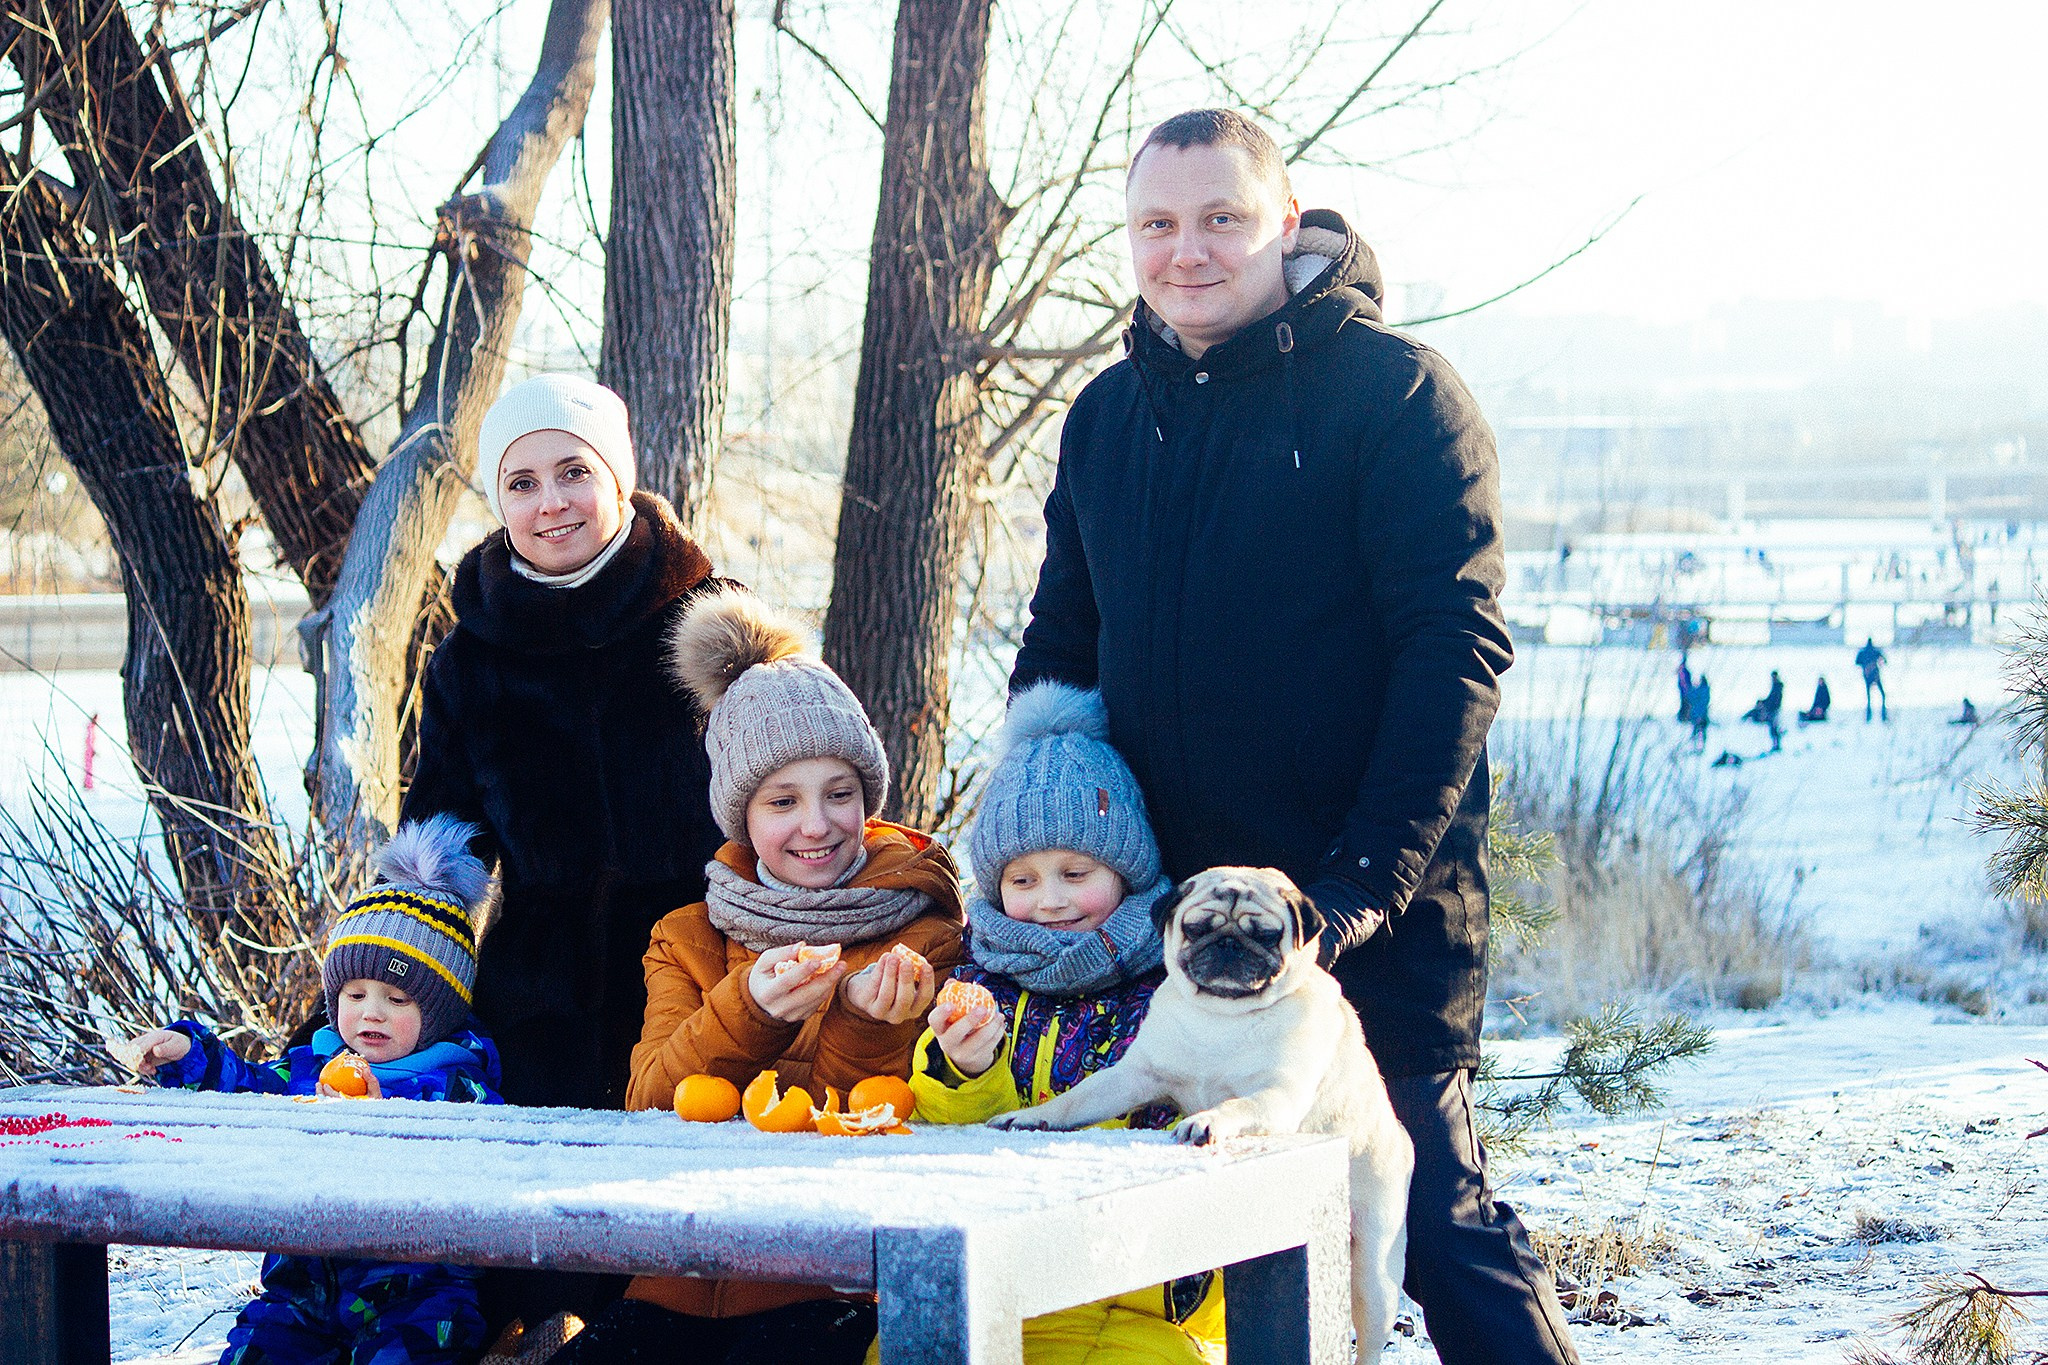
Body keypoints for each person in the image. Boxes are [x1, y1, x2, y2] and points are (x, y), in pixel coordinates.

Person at [1010, 108, 1575, 1364]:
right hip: (1163, 921)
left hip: (1359, 909)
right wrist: (1032, 831)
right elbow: (1059, 643)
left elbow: (1454, 652)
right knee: (1175, 1253)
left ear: (1283, 224)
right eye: (1156, 224)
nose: (1186, 252)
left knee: (1426, 1220)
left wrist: (1365, 882)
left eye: (1221, 219)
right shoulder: (1106, 416)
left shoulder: (1395, 395)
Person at [550, 587, 966, 1365]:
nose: (816, 824)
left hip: (830, 1286)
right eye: (783, 801)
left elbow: (892, 1132)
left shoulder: (923, 933)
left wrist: (863, 1023)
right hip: (674, 1276)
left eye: (840, 793)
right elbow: (649, 1102)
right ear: (741, 815)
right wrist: (749, 1008)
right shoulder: (687, 936)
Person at [399, 375, 731, 1339]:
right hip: (536, 999)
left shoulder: (711, 623)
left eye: (574, 472)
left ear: (618, 478)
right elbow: (441, 843)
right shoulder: (471, 661)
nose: (551, 503)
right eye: (523, 481)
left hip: (695, 989)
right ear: (498, 503)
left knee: (672, 1285)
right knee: (529, 1282)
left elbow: (791, 806)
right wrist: (372, 981)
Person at [907, 681, 1218, 1365]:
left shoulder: (1179, 988)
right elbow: (935, 1142)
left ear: (1125, 869)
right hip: (995, 1288)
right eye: (1022, 880)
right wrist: (965, 1070)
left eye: (1075, 872)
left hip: (1142, 1306)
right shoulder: (977, 982)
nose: (1050, 901)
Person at [123, 817, 500, 1365]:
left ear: (437, 1010)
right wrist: (190, 1056)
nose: (371, 1012)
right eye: (354, 993)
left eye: (397, 1000)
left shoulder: (458, 1089)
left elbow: (473, 1177)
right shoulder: (312, 1068)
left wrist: (387, 1121)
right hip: (304, 1293)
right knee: (256, 1352)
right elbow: (249, 1086)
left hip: (417, 1299)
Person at [1856, 636, 1889, 722]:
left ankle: (1869, 716)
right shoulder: (1875, 651)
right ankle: (1883, 716)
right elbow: (1885, 660)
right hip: (1875, 675)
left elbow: (1857, 662)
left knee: (1869, 697)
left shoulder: (1863, 652)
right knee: (1882, 695)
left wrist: (1865, 666)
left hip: (1868, 676)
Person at [1689, 674, 1712, 751]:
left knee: (1695, 732)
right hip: (1704, 714)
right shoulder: (1706, 690)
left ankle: (1695, 747)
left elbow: (1690, 697)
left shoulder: (1698, 690)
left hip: (1696, 714)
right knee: (1702, 732)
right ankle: (1703, 747)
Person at [1675, 654, 1694, 723]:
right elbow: (1683, 681)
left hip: (1684, 690)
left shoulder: (1682, 669)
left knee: (1684, 703)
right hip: (1685, 690)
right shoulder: (1683, 670)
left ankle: (1683, 717)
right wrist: (1687, 690)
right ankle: (1683, 717)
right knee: (1685, 703)